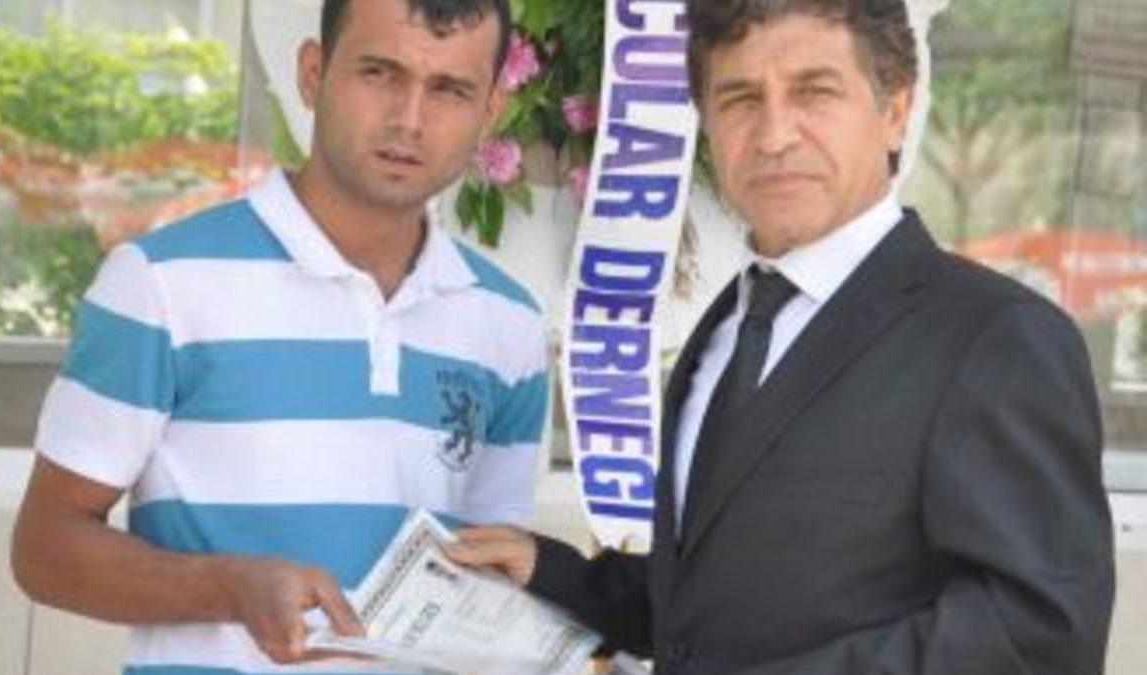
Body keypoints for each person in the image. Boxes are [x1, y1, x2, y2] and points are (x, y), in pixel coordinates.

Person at [446, 0, 1116, 673]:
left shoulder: (995, 337)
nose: (773, 135)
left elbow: (1038, 636)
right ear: (706, 124)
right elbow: (712, 599)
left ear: (895, 111)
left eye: (814, 92)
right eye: (739, 99)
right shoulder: (725, 331)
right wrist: (554, 573)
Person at [10, 0, 548, 673]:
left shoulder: (510, 324)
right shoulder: (161, 282)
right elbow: (43, 550)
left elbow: (492, 576)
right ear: (313, 73)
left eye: (449, 89)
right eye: (379, 72)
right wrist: (229, 588)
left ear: (492, 108)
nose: (409, 119)